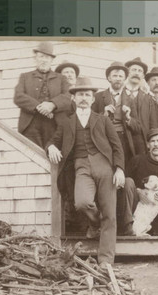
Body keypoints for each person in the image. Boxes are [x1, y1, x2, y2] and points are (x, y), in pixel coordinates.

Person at [46, 77, 125, 266]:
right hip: (81, 166)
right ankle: (96, 224)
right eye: (80, 94)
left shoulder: (103, 120)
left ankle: (106, 261)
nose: (83, 98)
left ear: (92, 99)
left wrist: (119, 169)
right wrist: (51, 147)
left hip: (105, 166)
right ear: (73, 98)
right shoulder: (66, 122)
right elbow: (53, 141)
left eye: (87, 95)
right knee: (82, 203)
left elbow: (117, 147)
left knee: (110, 214)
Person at [14, 42, 72, 148]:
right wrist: (39, 107)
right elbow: (18, 96)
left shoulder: (61, 79)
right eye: (41, 56)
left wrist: (52, 105)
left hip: (54, 124)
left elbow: (68, 97)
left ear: (51, 60)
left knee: (53, 155)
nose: (44, 60)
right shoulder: (25, 77)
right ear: (35, 58)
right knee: (31, 155)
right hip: (30, 124)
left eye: (47, 57)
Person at [92, 61, 135, 162]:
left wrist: (129, 118)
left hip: (123, 138)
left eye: (121, 76)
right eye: (115, 76)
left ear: (125, 79)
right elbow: (90, 121)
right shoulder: (98, 97)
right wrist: (104, 115)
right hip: (104, 137)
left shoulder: (130, 99)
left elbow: (138, 126)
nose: (118, 79)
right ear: (109, 78)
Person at [124, 57, 158, 155]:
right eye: (133, 70)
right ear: (127, 73)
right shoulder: (119, 95)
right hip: (123, 142)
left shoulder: (148, 99)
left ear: (143, 75)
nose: (136, 73)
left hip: (142, 144)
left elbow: (153, 125)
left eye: (140, 71)